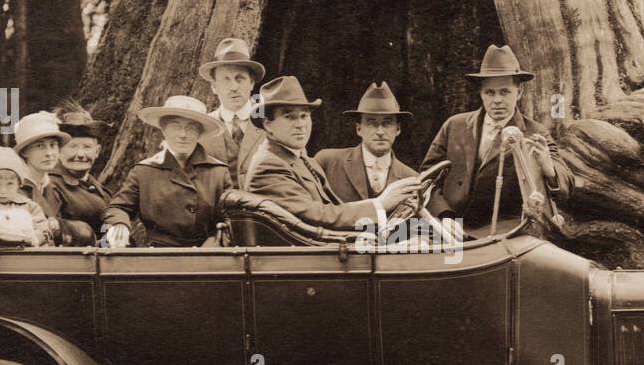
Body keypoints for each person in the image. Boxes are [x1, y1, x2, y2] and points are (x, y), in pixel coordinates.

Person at [421, 44, 574, 231]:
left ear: (519, 93)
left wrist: (549, 169)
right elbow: (427, 177)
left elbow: (566, 186)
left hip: (504, 228)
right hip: (451, 223)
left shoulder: (535, 132)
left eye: (505, 92)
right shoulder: (455, 125)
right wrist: (444, 215)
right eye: (489, 92)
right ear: (481, 93)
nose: (497, 100)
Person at [242, 76, 417, 232]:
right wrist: (380, 204)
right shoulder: (270, 164)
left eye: (304, 116)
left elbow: (331, 210)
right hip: (304, 261)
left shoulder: (299, 159)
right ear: (268, 125)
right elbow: (319, 215)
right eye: (289, 117)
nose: (300, 125)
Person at [103, 95, 230, 248]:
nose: (182, 135)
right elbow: (118, 207)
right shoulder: (144, 171)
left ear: (199, 133)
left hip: (208, 255)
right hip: (160, 256)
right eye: (175, 127)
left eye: (191, 128)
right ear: (163, 130)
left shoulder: (218, 172)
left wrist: (215, 241)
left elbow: (231, 219)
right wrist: (119, 224)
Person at [315, 82, 418, 203]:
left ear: (398, 129)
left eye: (387, 123)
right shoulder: (328, 162)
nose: (380, 131)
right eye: (372, 124)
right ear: (359, 129)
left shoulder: (410, 178)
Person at [198, 37, 269, 188]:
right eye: (225, 80)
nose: (234, 87)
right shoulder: (204, 127)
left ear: (251, 83)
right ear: (214, 87)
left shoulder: (270, 123)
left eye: (240, 78)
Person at [46, 101, 112, 245]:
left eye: (87, 147)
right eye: (73, 146)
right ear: (58, 150)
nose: (81, 154)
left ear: (97, 151)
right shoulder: (50, 185)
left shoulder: (100, 190)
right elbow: (51, 231)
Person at [12, 110, 73, 244]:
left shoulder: (51, 187)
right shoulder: (13, 188)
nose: (49, 153)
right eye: (40, 146)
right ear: (24, 152)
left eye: (53, 145)